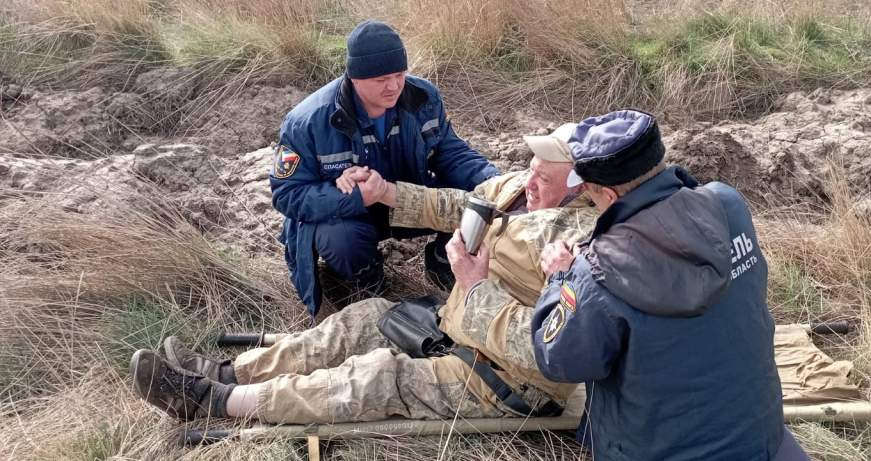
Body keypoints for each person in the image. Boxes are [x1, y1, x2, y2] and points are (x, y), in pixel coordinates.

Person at [130, 125, 601, 425]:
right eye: (531, 169)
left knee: (377, 378)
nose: (531, 181)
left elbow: (551, 351)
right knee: (362, 319)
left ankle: (210, 401)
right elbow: (456, 205)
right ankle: (227, 372)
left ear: (580, 186)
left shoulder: (582, 245)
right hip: (454, 324)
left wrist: (475, 288)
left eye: (545, 178)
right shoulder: (517, 188)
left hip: (507, 377)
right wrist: (385, 192)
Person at [531, 110, 810, 460]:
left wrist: (560, 278)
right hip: (760, 439)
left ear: (610, 196)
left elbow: (560, 362)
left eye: (590, 190)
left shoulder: (596, 273)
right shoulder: (727, 205)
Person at [270, 20, 499, 319]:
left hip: (409, 201)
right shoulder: (307, 122)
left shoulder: (423, 97)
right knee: (338, 238)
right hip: (353, 214)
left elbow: (452, 153)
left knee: (479, 200)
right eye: (380, 79)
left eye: (399, 74)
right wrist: (355, 197)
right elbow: (287, 195)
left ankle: (445, 262)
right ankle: (367, 282)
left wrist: (494, 182)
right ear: (354, 76)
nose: (393, 86)